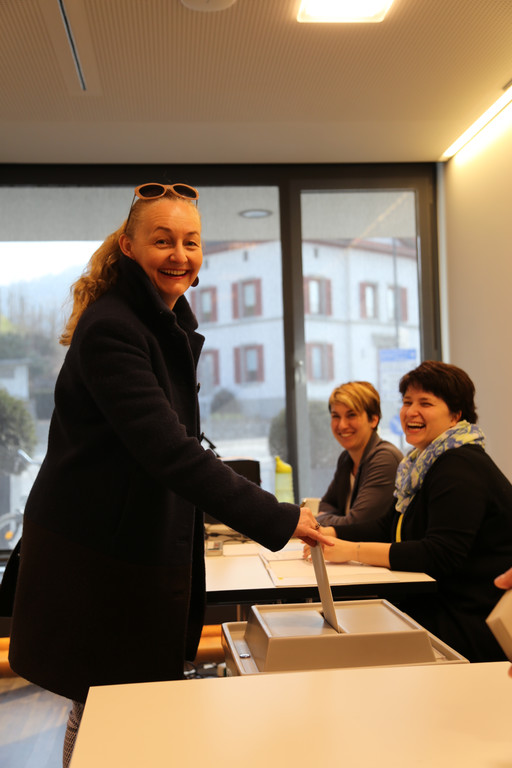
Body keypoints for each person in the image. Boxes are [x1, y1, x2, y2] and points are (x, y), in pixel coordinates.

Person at [3, 182, 328, 767]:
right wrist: (278, 518)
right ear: (129, 247)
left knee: (118, 710)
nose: (180, 255)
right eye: (163, 240)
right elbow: (170, 451)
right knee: (107, 710)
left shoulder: (160, 321)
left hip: (125, 546)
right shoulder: (115, 327)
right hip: (99, 559)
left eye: (191, 242)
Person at [306, 360, 512, 663]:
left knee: (342, 645)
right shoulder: (421, 464)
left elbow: (439, 554)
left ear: (455, 415)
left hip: (466, 621)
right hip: (433, 603)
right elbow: (388, 525)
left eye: (425, 403)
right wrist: (330, 533)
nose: (411, 412)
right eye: (406, 402)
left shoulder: (459, 465)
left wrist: (352, 550)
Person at [316, 381, 402, 527]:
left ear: (373, 420)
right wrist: (331, 518)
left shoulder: (385, 459)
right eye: (336, 416)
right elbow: (326, 504)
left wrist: (320, 520)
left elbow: (357, 523)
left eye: (351, 415)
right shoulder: (346, 459)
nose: (342, 425)